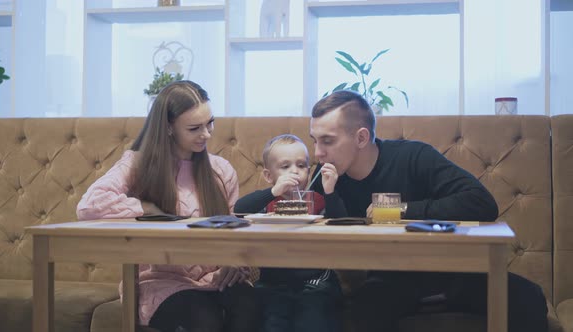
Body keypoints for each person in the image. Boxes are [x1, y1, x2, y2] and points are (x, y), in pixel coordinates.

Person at [308, 90, 548, 332]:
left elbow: (481, 202)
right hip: (390, 279)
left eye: (327, 141)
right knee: (363, 309)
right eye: (314, 141)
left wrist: (398, 210)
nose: (318, 152)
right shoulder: (327, 178)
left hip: (453, 272)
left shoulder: (413, 156)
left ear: (361, 138)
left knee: (528, 297)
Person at [76, 81, 259, 332]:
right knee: (203, 319)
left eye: (210, 123)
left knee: (255, 306)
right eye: (195, 128)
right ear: (169, 128)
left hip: (216, 278)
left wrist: (235, 263)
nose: (206, 134)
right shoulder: (138, 164)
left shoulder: (220, 170)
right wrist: (147, 209)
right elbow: (88, 206)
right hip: (161, 283)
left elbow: (235, 230)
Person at [234, 134, 345, 332]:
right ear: (269, 176)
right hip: (272, 282)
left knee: (313, 319)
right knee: (273, 322)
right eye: (285, 167)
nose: (295, 171)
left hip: (316, 280)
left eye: (301, 165)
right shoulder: (266, 203)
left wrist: (330, 191)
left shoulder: (317, 200)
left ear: (310, 172)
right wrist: (273, 192)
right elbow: (240, 208)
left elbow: (342, 224)